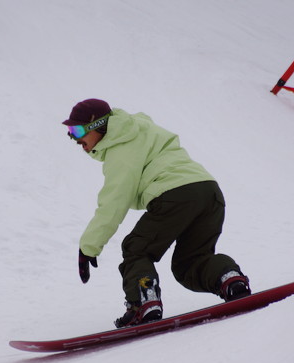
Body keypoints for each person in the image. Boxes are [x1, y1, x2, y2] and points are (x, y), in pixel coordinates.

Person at [63, 98, 250, 328]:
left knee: (136, 249)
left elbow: (113, 202)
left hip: (175, 194)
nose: (74, 138)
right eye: (70, 131)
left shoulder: (120, 148)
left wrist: (89, 246)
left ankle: (144, 303)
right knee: (191, 263)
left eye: (77, 129)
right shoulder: (140, 129)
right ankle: (229, 279)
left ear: (99, 126)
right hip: (209, 192)